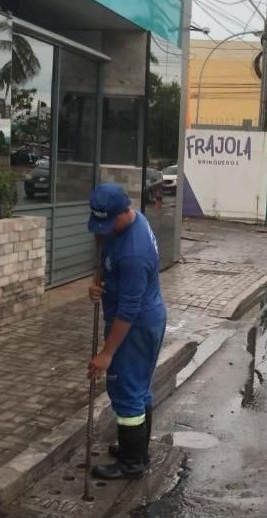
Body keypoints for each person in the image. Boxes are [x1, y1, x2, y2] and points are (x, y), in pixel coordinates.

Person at [87, 183, 167, 480]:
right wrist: (98, 283)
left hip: (134, 327)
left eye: (109, 222)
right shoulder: (130, 223)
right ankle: (136, 450)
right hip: (146, 319)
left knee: (125, 390)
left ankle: (132, 463)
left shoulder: (136, 254)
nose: (104, 229)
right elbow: (106, 252)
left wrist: (107, 353)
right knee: (139, 388)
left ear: (124, 211)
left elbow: (129, 310)